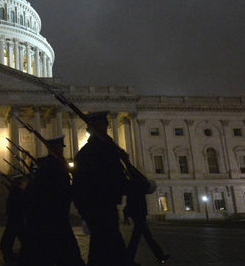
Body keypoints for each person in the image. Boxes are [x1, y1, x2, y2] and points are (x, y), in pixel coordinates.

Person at [72, 111, 136, 266]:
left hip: (94, 208)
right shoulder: (104, 150)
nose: (105, 129)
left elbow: (78, 186)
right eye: (103, 126)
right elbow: (114, 179)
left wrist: (83, 210)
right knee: (106, 246)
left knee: (104, 245)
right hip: (104, 206)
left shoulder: (84, 153)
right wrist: (136, 186)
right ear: (98, 128)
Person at [19, 135, 86, 266]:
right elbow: (57, 188)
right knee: (66, 247)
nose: (61, 151)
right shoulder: (53, 165)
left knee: (58, 247)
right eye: (59, 148)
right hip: (56, 211)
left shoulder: (51, 164)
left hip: (54, 212)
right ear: (56, 149)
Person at [124, 179, 170, 264]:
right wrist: (142, 218)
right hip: (139, 218)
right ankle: (129, 259)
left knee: (143, 238)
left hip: (138, 217)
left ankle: (159, 255)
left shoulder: (136, 191)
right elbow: (140, 206)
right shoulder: (138, 193)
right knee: (140, 239)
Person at [0, 175, 25, 262]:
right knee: (13, 232)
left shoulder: (15, 189)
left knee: (11, 232)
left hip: (14, 215)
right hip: (16, 215)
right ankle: (7, 249)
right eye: (20, 180)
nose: (22, 181)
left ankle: (5, 247)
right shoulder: (16, 189)